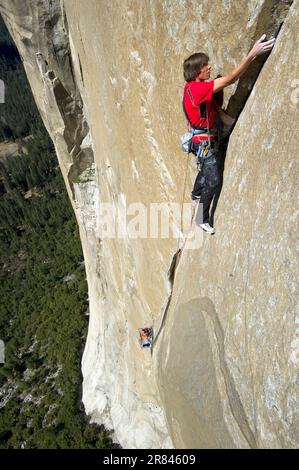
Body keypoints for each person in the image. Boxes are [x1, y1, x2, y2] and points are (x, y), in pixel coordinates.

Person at [183, 34, 275, 234]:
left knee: (206, 167)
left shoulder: (190, 88)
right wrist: (253, 54)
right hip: (203, 141)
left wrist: (224, 118)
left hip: (202, 140)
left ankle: (196, 192)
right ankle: (201, 219)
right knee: (214, 179)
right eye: (206, 66)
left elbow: (203, 108)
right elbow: (232, 79)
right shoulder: (199, 88)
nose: (209, 67)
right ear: (197, 71)